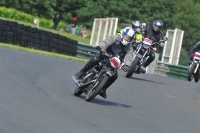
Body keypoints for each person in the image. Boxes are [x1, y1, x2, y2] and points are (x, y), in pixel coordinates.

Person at [72, 28, 135, 99]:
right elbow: (106, 42)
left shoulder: (130, 48)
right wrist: (102, 48)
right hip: (105, 56)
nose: (127, 39)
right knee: (95, 59)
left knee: (115, 76)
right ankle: (81, 73)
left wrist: (126, 65)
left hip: (114, 63)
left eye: (129, 38)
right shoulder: (115, 38)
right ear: (123, 35)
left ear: (131, 40)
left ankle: (103, 89)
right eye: (126, 36)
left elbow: (129, 57)